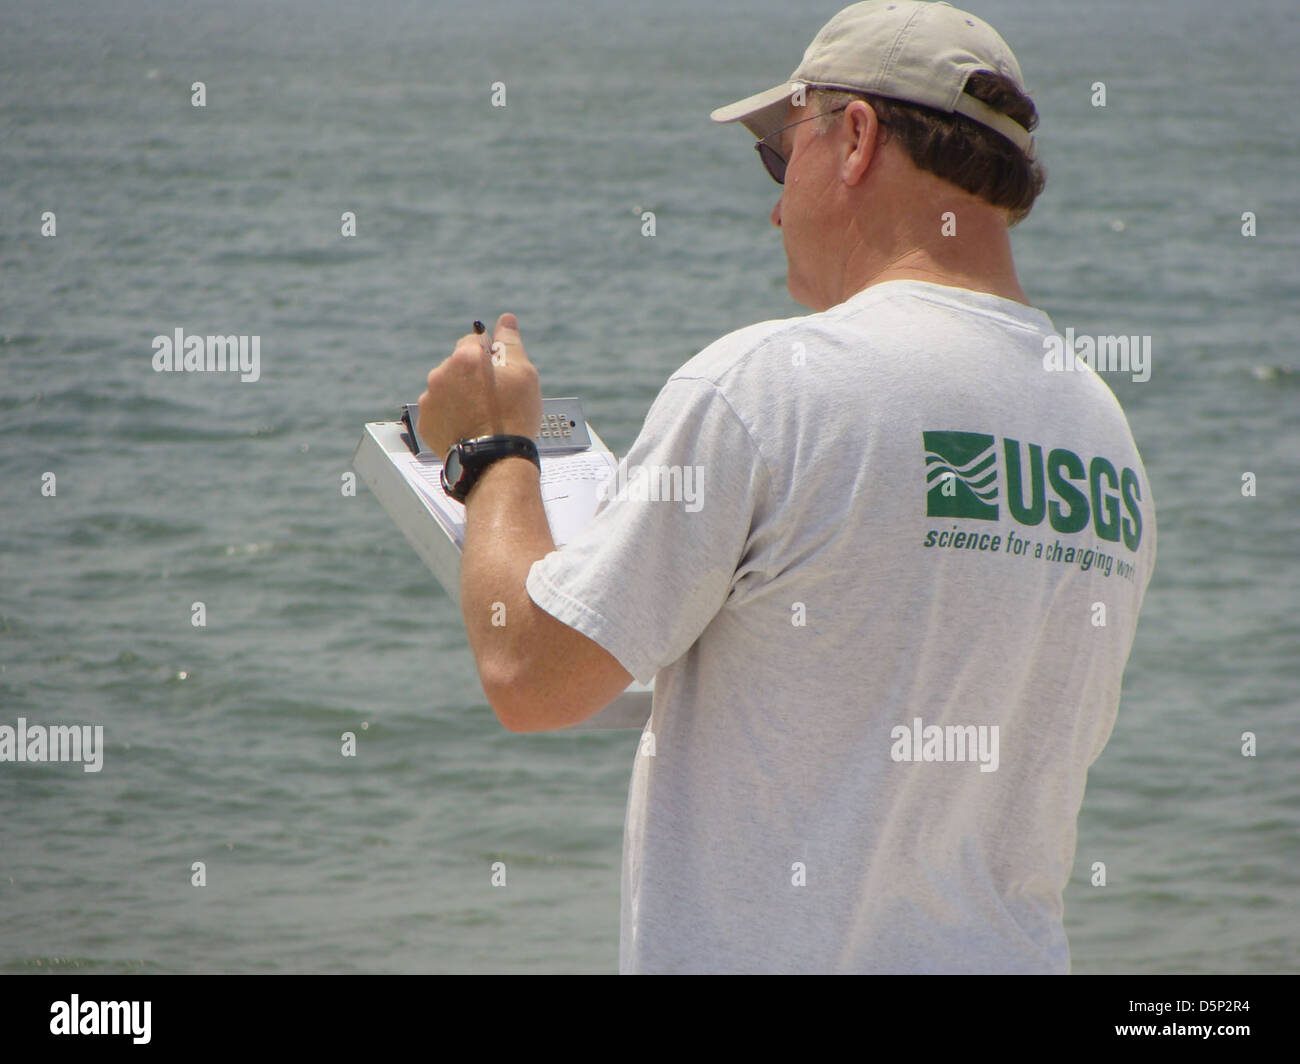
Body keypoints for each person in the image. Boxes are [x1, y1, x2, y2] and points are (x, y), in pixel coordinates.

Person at [416, 0, 1157, 973]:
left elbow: (529, 672)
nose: (773, 203)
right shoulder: (1101, 434)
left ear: (852, 136)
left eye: (778, 152)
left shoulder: (768, 385)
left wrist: (492, 449)